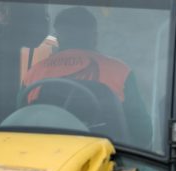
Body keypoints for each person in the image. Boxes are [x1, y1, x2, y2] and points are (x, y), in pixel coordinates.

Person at [23, 7, 151, 146]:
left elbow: (20, 119)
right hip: (106, 155)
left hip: (46, 153)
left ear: (59, 36)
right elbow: (142, 131)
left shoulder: (34, 72)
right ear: (94, 36)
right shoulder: (120, 71)